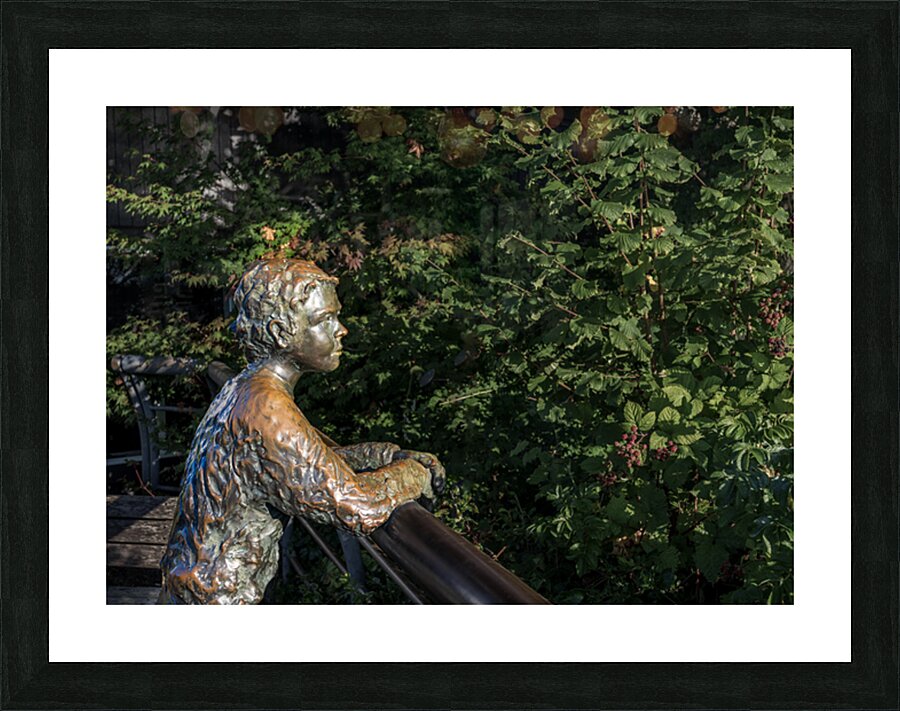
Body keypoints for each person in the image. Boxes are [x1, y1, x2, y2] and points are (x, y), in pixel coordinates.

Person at [159, 258, 444, 604]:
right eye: (326, 319)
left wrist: (384, 456)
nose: (342, 330)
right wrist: (416, 473)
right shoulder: (268, 410)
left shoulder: (245, 388)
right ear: (282, 332)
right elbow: (357, 505)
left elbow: (306, 464)